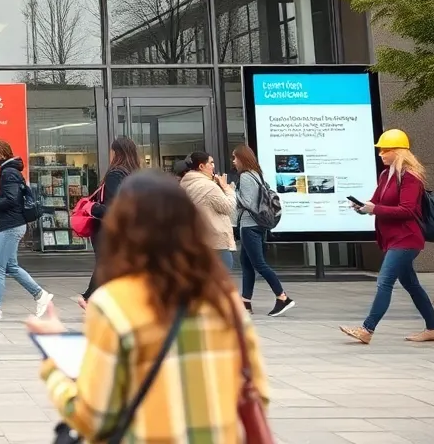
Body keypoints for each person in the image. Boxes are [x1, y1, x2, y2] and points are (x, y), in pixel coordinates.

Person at [29, 170, 270, 443]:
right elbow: (257, 392)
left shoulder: (113, 304)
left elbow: (93, 417)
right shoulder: (224, 299)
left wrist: (53, 363)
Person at [341, 129, 434, 344]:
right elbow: (376, 202)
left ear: (398, 152)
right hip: (392, 239)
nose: (381, 154)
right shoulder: (385, 175)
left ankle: (366, 329)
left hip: (406, 239)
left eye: (385, 150)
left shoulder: (410, 177)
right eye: (380, 150)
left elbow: (407, 210)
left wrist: (374, 209)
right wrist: (362, 207)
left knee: (384, 281)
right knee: (412, 285)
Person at [0, 140, 52, 321]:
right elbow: (11, 197)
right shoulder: (10, 171)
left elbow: (11, 200)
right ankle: (40, 295)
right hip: (13, 224)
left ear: (1, 153)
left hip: (10, 226)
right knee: (11, 266)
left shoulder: (8, 173)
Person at [78, 136, 140, 308]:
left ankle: (90, 298)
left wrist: (93, 208)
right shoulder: (134, 174)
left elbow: (112, 208)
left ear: (116, 152)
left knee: (106, 263)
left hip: (107, 229)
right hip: (125, 227)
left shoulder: (115, 174)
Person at [232, 145, 294, 316]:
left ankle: (282, 297)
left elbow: (247, 202)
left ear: (242, 159)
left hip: (249, 225)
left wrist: (229, 190)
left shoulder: (245, 176)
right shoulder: (257, 174)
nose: (233, 161)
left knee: (259, 264)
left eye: (235, 158)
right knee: (246, 263)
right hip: (259, 225)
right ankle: (245, 302)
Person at [176, 150, 236, 270]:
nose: (213, 166)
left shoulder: (185, 184)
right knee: (222, 279)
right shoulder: (208, 186)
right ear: (201, 166)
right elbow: (229, 207)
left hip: (198, 239)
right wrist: (227, 189)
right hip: (216, 242)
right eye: (211, 163)